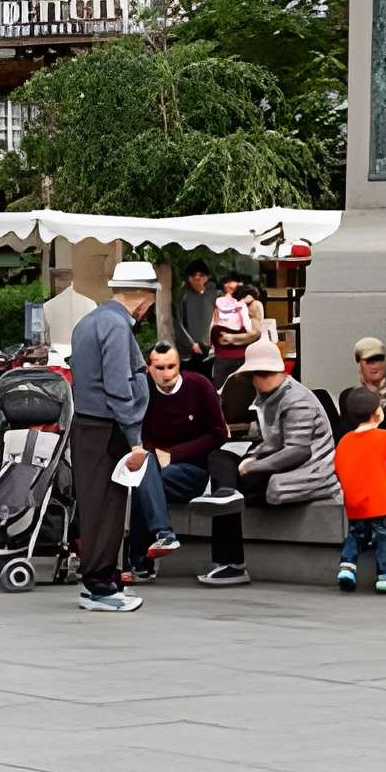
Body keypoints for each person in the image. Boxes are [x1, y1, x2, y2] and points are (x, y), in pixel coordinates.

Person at [204, 337, 335, 588]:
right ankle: (225, 492)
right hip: (278, 461)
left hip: (306, 471)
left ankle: (231, 562)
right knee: (220, 458)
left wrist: (253, 465)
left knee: (237, 486)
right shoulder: (269, 396)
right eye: (256, 374)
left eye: (263, 373)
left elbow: (297, 452)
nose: (259, 380)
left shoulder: (297, 400)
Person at [67, 261, 154, 614]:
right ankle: (100, 585)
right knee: (108, 506)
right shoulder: (117, 327)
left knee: (94, 503)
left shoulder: (89, 321)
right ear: (143, 298)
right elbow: (119, 386)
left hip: (87, 423)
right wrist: (135, 437)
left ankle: (99, 580)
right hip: (107, 427)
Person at [124, 342, 228, 581]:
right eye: (159, 367)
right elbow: (139, 434)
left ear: (180, 366)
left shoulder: (199, 385)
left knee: (146, 484)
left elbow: (219, 433)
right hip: (155, 467)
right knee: (146, 469)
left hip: (194, 470)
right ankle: (162, 535)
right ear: (149, 369)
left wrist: (175, 454)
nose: (167, 373)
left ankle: (140, 559)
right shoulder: (144, 391)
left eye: (172, 366)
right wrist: (154, 453)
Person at [332, 386, 386, 592]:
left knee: (355, 535)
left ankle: (347, 568)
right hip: (382, 502)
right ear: (377, 413)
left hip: (355, 503)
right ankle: (384, 577)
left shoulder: (345, 441)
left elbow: (337, 469)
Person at [164, 262, 217, 367]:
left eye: (201, 275)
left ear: (207, 277)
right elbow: (178, 323)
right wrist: (191, 344)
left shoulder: (214, 294)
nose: (197, 278)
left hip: (212, 348)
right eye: (193, 275)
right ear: (188, 278)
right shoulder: (183, 296)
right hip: (190, 351)